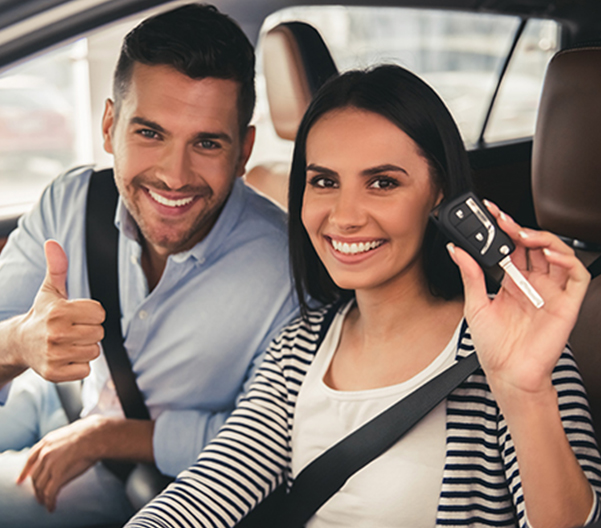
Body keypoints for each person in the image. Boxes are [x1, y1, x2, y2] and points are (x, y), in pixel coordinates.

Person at [125, 64, 601, 528]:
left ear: (439, 194)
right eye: (324, 182)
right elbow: (207, 493)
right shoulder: (299, 346)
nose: (345, 216)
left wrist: (523, 393)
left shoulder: (512, 344)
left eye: (383, 183)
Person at [0, 4, 298, 527]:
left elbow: (269, 444)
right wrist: (19, 343)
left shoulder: (285, 274)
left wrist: (116, 436)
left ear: (243, 150)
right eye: (151, 134)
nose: (174, 176)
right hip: (41, 401)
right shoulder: (72, 202)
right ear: (110, 126)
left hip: (135, 483)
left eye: (206, 143)